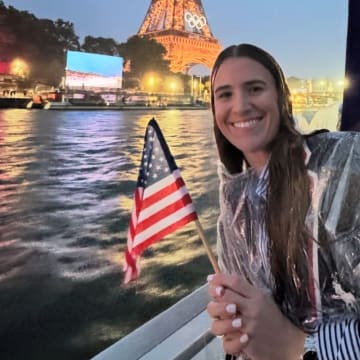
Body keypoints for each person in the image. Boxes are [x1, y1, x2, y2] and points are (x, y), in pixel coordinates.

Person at [206, 43, 360, 360]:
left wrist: (298, 348)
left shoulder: (342, 165)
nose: (240, 105)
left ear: (281, 96)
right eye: (225, 94)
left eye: (255, 88)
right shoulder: (234, 198)